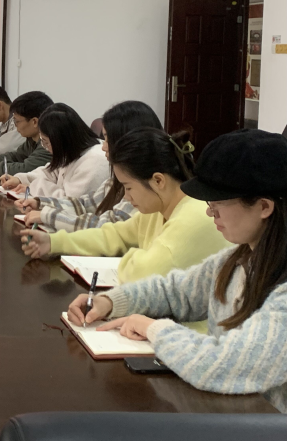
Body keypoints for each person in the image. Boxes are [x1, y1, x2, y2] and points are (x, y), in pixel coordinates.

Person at [68, 130, 287, 413]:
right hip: (232, 415)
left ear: (264, 206)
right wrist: (110, 301)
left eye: (218, 203)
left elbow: (223, 365)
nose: (209, 213)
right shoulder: (238, 259)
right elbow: (175, 292)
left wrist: (155, 329)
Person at [20, 128, 230, 284]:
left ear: (158, 180)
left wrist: (131, 255)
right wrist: (53, 242)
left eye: (128, 188)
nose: (127, 198)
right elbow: (113, 235)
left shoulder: (193, 216)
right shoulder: (158, 209)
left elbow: (143, 272)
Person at [18, 101, 163, 232]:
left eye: (108, 140)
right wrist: (40, 203)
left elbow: (109, 227)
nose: (103, 147)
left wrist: (48, 215)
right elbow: (86, 203)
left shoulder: (144, 186)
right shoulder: (119, 179)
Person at [1, 103, 109, 199]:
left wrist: (33, 187)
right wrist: (20, 179)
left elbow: (70, 202)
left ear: (61, 140)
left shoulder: (95, 162)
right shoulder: (72, 151)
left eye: (46, 142)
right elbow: (51, 171)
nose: (45, 147)